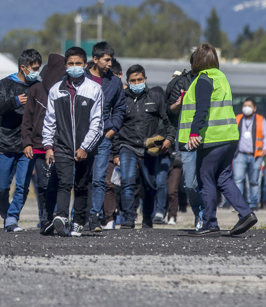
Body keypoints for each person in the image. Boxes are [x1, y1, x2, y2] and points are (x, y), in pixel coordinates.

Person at [181, 43, 256, 236]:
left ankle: (209, 223)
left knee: (205, 178)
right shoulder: (222, 78)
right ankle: (246, 213)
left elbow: (202, 109)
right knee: (223, 177)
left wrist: (194, 133)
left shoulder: (203, 80)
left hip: (212, 138)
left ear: (197, 61)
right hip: (229, 137)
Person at [43, 46, 103, 237]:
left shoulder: (94, 89)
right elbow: (49, 121)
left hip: (86, 146)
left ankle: (78, 221)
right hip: (62, 145)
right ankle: (61, 217)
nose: (75, 67)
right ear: (65, 66)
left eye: (78, 63)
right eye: (71, 64)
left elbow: (98, 122)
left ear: (85, 65)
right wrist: (48, 146)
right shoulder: (56, 91)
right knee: (64, 182)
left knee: (82, 184)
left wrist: (85, 147)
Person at [114, 64, 176, 228]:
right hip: (128, 146)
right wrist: (115, 152)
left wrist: (169, 138)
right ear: (127, 81)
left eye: (139, 79)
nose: (136, 83)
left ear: (145, 79)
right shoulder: (122, 99)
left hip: (150, 149)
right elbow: (116, 126)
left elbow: (167, 120)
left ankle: (147, 218)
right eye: (133, 80)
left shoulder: (155, 96)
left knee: (150, 185)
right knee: (127, 181)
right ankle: (128, 219)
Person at [0, 48, 42, 232]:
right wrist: (15, 101)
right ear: (23, 67)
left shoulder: (38, 86)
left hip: (27, 146)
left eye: (38, 68)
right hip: (6, 144)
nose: (36, 72)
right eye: (33, 68)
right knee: (2, 187)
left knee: (22, 186)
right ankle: (6, 214)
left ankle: (12, 218)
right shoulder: (5, 84)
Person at [22, 52, 66, 234]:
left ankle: (59, 217)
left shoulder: (66, 89)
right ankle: (45, 219)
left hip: (62, 146)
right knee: (44, 184)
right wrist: (27, 142)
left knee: (61, 184)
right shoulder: (36, 90)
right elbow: (27, 120)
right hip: (39, 146)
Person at [86, 41, 127, 232]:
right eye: (106, 60)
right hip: (82, 135)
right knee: (81, 176)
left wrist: (113, 128)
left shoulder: (115, 82)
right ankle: (78, 216)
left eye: (111, 60)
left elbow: (120, 108)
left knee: (99, 178)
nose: (110, 64)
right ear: (95, 59)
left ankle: (95, 216)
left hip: (104, 135)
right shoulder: (82, 78)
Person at [169, 61, 202, 229]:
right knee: (189, 184)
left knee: (206, 182)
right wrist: (179, 102)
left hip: (207, 140)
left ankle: (205, 217)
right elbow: (171, 110)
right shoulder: (182, 82)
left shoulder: (212, 81)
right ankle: (198, 213)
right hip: (186, 141)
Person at [233, 98, 266, 209]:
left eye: (249, 106)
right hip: (240, 154)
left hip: (256, 155)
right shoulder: (238, 118)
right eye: (245, 105)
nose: (246, 108)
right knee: (238, 179)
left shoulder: (260, 120)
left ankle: (253, 203)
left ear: (254, 108)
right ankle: (239, 204)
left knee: (254, 181)